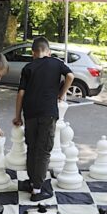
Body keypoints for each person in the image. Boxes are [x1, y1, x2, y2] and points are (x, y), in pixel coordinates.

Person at [13, 37, 74, 201]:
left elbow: (21, 93)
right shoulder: (56, 62)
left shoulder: (28, 67)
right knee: (44, 150)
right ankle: (38, 190)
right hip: (48, 113)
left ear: (33, 53)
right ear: (48, 51)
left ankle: (32, 181)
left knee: (32, 148)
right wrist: (61, 95)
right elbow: (70, 76)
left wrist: (17, 116)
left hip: (30, 112)